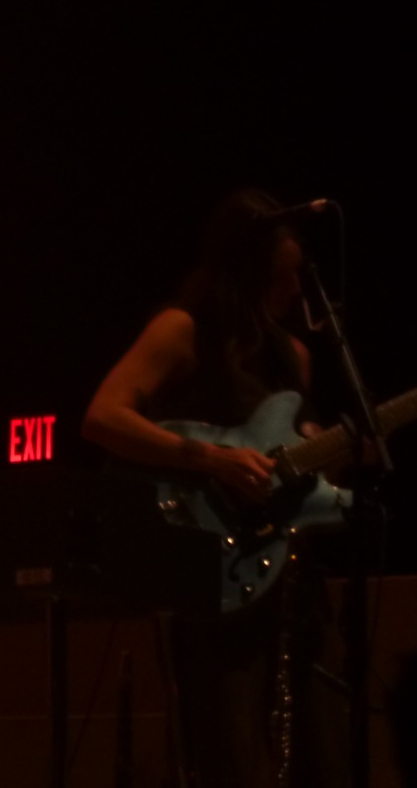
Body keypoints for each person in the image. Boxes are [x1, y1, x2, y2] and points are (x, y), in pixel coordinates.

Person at [81, 188, 346, 788]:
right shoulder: (183, 329)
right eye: (287, 276)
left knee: (325, 758)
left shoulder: (293, 355)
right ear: (253, 266)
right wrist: (211, 460)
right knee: (233, 762)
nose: (298, 291)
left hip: (293, 580)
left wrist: (333, 457)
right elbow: (103, 417)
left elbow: (290, 468)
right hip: (212, 579)